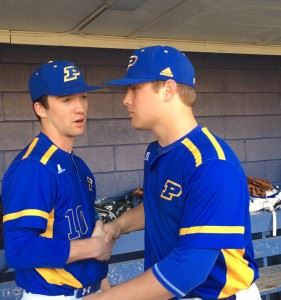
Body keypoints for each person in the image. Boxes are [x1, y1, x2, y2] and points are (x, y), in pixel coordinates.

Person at [86, 45, 261, 300]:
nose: (125, 100)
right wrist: (117, 226)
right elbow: (158, 206)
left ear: (169, 89)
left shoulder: (211, 163)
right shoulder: (157, 151)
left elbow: (189, 269)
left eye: (134, 88)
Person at [2, 60, 114, 299]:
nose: (80, 108)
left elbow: (87, 235)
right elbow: (18, 250)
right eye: (66, 100)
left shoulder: (78, 165)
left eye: (83, 97)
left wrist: (106, 290)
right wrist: (93, 247)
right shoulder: (34, 168)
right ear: (40, 109)